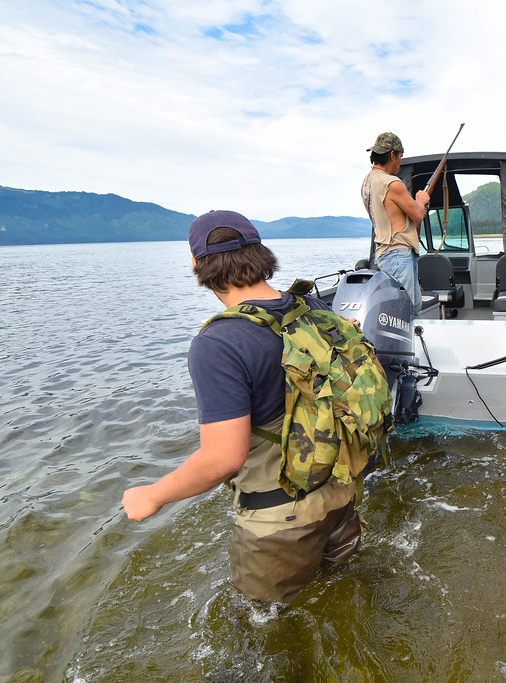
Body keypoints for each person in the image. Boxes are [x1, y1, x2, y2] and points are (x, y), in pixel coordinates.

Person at [121, 210, 361, 604]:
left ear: (197, 263)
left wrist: (153, 495)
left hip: (280, 521)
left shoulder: (219, 343)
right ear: (259, 252)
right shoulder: (316, 309)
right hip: (341, 491)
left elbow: (224, 458)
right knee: (344, 592)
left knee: (259, 631)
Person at [361, 132, 430, 308]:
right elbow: (417, 214)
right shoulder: (392, 183)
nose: (399, 162)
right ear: (392, 154)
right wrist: (421, 199)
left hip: (384, 254)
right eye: (400, 157)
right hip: (399, 254)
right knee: (406, 309)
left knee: (406, 308)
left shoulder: (367, 183)